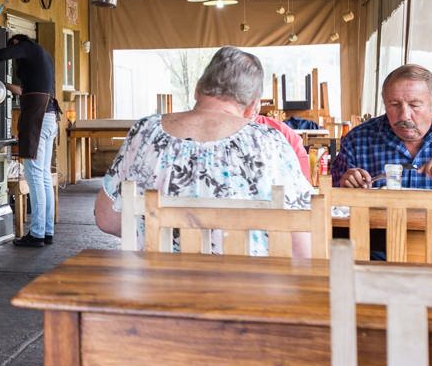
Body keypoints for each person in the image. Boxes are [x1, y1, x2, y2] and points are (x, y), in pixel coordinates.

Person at [94, 46, 313, 256]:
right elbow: (301, 244)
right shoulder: (269, 142)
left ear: (198, 88)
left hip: (156, 287)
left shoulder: (145, 131)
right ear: (252, 107)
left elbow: (106, 218)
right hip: (248, 289)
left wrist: (154, 234)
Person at [0, 34, 59, 247]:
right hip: (50, 116)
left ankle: (36, 235)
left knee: (34, 177)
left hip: (37, 118)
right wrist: (0, 83)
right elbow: (24, 91)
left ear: (16, 43)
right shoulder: (44, 55)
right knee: (43, 176)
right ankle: (46, 232)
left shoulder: (27, 47)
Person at [332, 64, 432, 189]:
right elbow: (333, 199)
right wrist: (344, 187)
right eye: (394, 104)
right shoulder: (357, 140)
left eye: (414, 105)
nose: (404, 116)